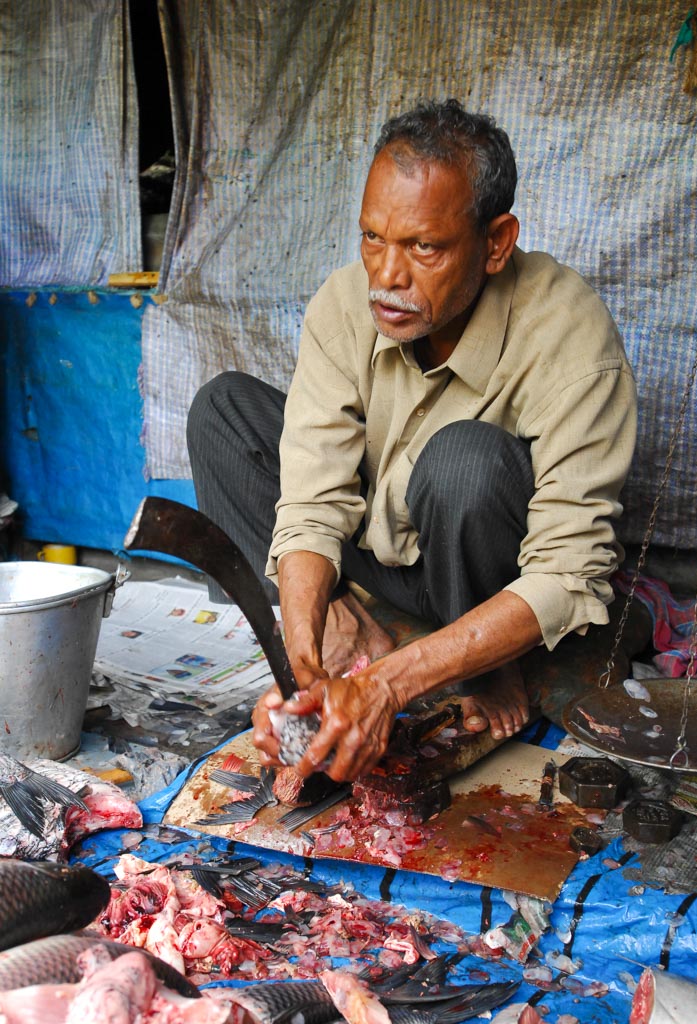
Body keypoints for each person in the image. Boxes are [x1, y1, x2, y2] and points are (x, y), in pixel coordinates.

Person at [187, 99, 637, 784]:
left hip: (483, 572)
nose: (386, 278)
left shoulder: (568, 333)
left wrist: (387, 687)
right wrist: (304, 656)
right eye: (373, 238)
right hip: (381, 552)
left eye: (423, 247)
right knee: (222, 410)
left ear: (495, 242)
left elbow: (569, 572)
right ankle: (352, 629)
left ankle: (485, 665)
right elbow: (311, 498)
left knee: (464, 461)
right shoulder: (346, 304)